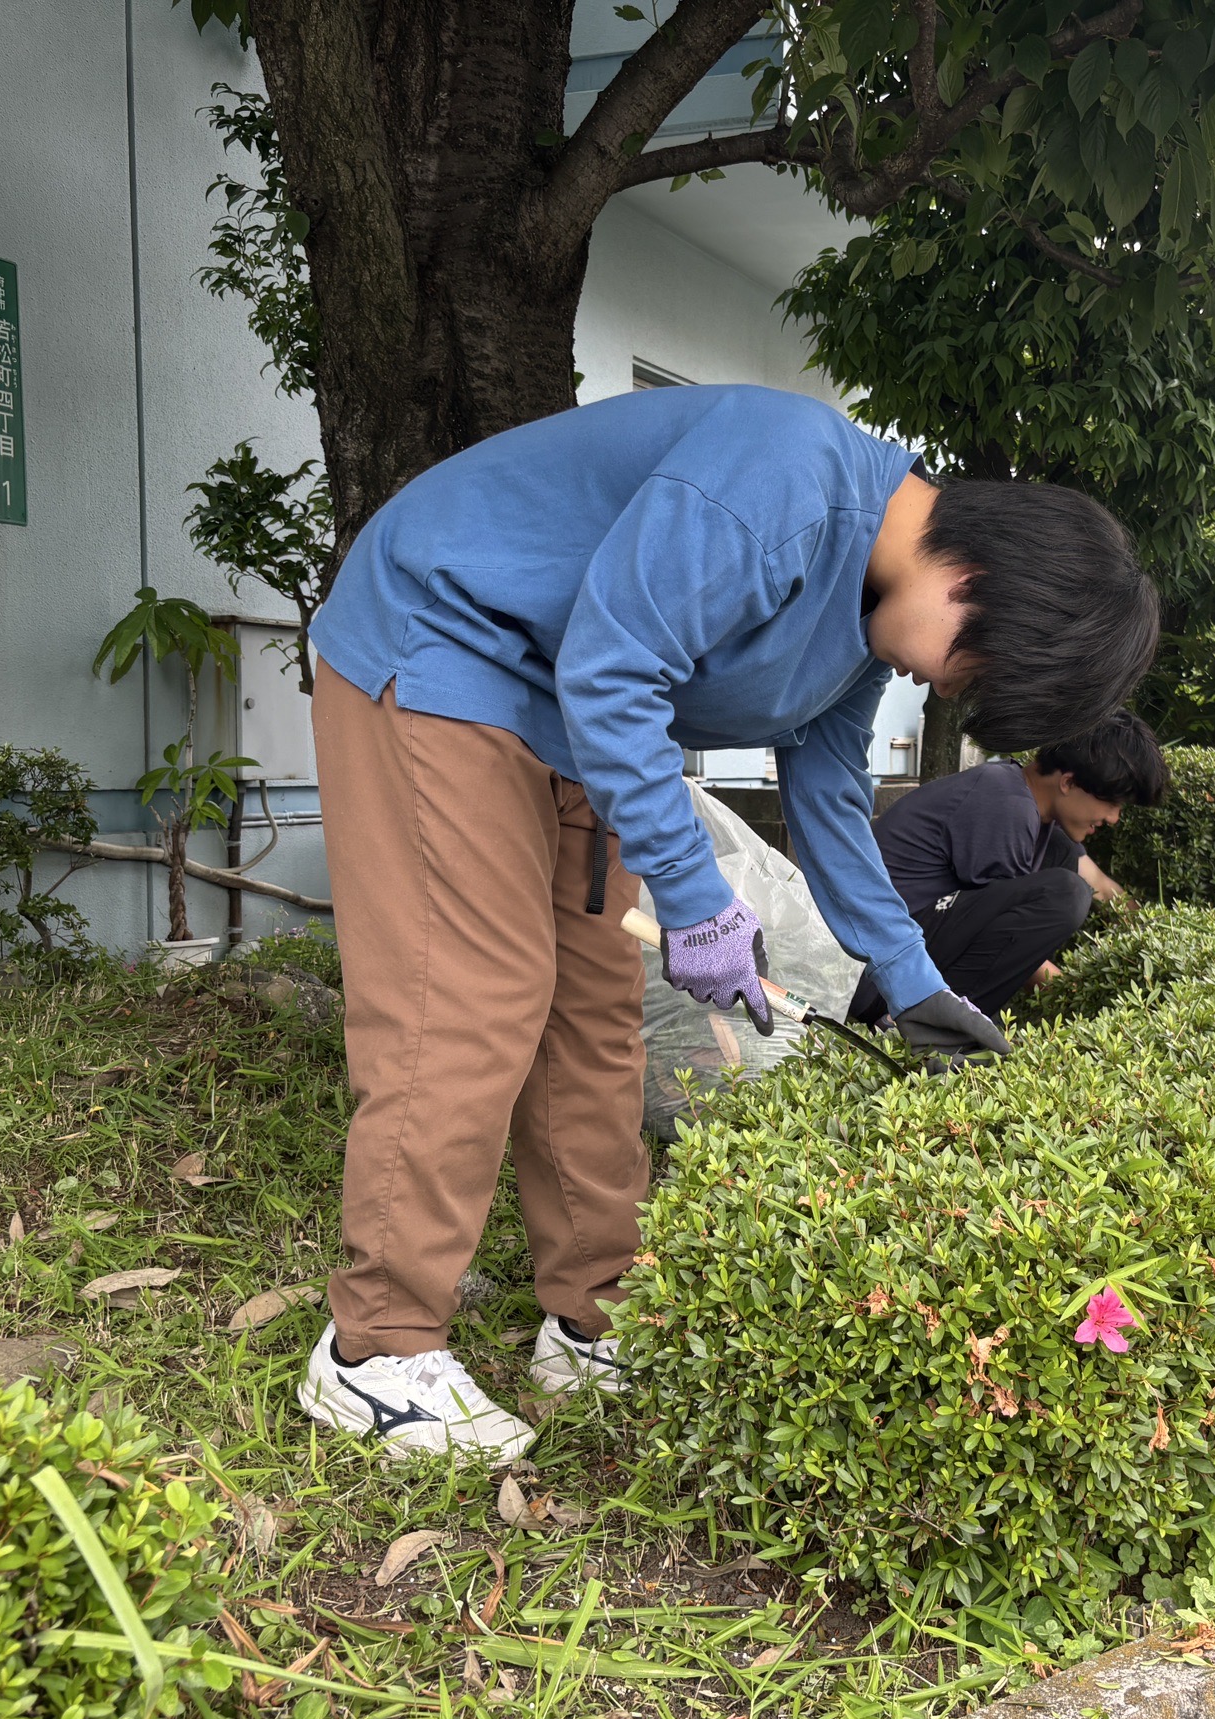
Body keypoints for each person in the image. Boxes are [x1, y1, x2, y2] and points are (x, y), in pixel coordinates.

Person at [291, 384, 1159, 1460]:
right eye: (969, 667)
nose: (940, 686)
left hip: (562, 714)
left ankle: (592, 1316)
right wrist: (699, 902)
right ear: (970, 576)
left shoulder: (869, 624)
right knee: (473, 996)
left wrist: (913, 975)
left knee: (592, 1012)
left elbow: (831, 795)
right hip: (442, 645)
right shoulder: (783, 480)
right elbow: (615, 671)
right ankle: (374, 1351)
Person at [853, 712, 1167, 1024]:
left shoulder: (1030, 808)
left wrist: (1152, 939)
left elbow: (1098, 881)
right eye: (1113, 803)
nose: (1114, 818)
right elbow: (1010, 936)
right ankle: (939, 1025)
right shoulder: (1003, 804)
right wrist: (1082, 1004)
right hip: (877, 972)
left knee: (1064, 861)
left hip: (907, 948)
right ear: (1069, 782)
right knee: (1064, 894)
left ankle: (949, 1015)